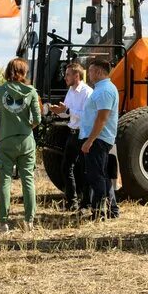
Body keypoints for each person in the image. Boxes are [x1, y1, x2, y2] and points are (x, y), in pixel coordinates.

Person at [0, 57, 41, 233]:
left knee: (5, 181)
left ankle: (3, 222)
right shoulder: (31, 91)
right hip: (26, 141)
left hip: (5, 141)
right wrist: (26, 128)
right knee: (28, 180)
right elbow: (37, 119)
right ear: (24, 72)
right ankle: (29, 221)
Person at [47, 61, 91, 211]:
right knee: (66, 167)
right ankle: (72, 203)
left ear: (76, 76)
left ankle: (86, 203)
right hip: (72, 133)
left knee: (85, 170)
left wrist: (68, 111)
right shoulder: (70, 91)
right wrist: (59, 111)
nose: (64, 77)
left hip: (83, 134)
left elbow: (87, 116)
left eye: (67, 75)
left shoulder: (87, 92)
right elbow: (67, 112)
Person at [80, 57, 120, 220]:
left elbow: (102, 119)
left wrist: (89, 141)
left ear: (98, 72)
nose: (88, 74)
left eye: (90, 71)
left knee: (96, 176)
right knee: (101, 175)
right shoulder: (101, 89)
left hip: (98, 139)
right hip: (97, 138)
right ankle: (112, 210)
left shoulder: (104, 91)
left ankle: (98, 212)